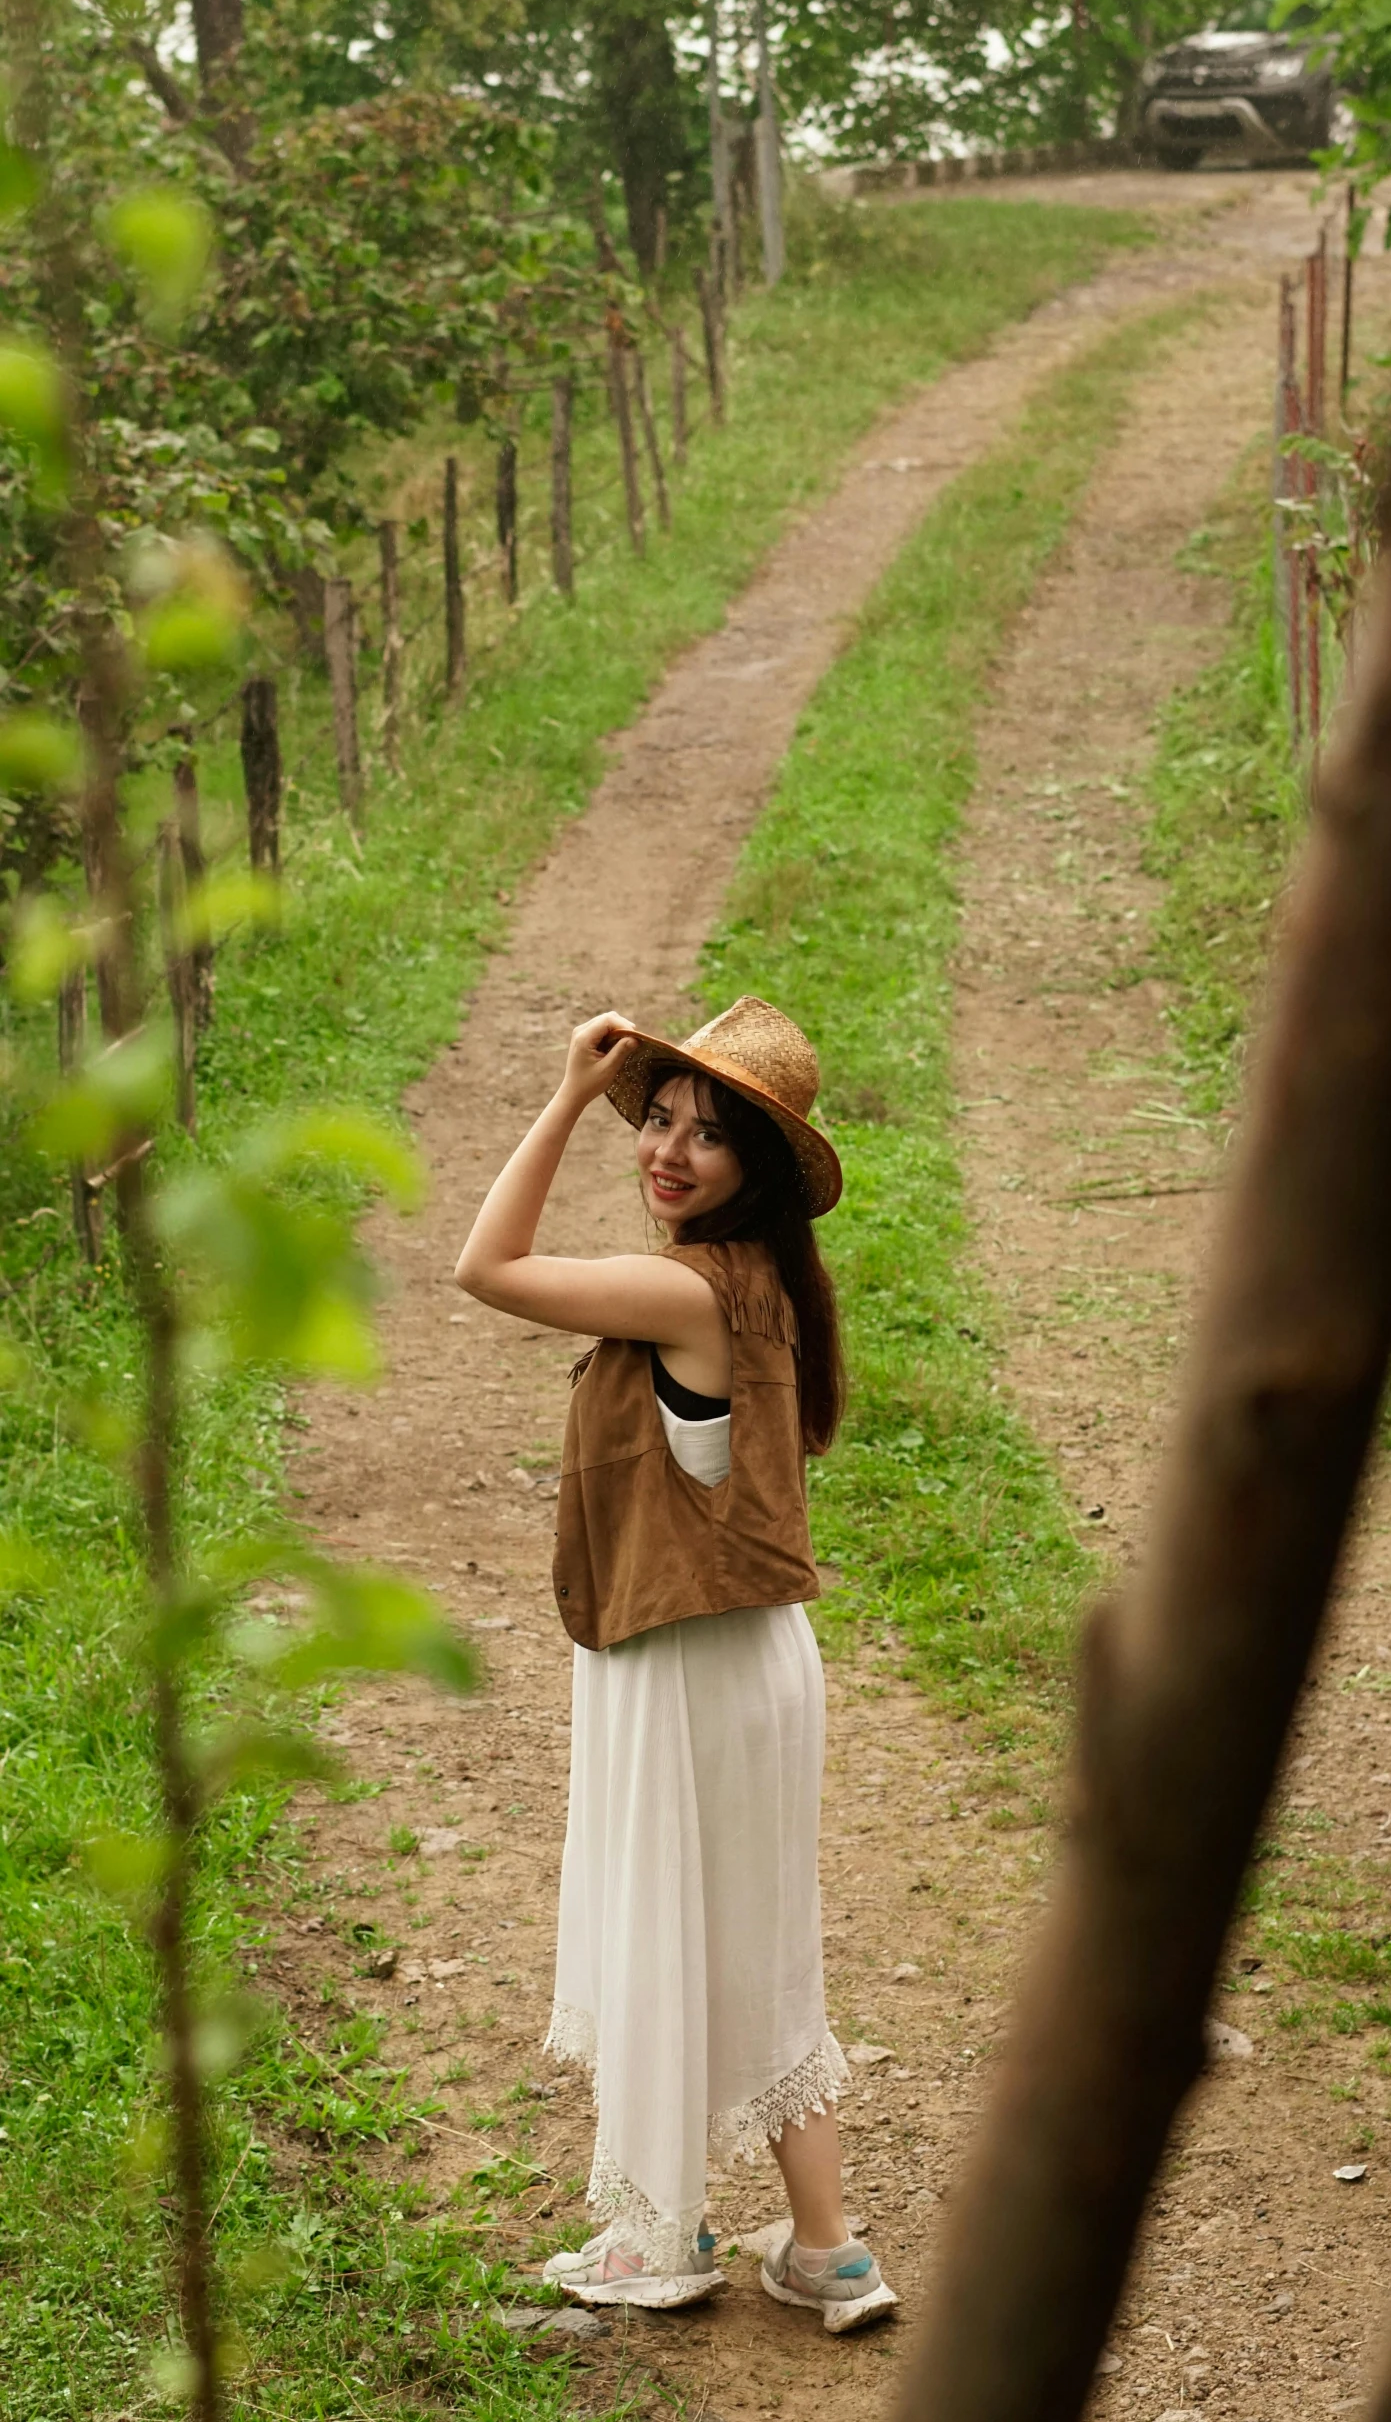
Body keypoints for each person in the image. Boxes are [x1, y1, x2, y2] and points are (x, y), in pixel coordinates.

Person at [454, 995, 896, 2333]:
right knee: (761, 1943)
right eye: (657, 1116)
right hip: (753, 1652)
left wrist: (559, 1098)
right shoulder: (765, 1283)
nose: (669, 1149)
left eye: (708, 1136)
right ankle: (829, 2252)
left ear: (755, 1172)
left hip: (687, 1663)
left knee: (662, 1927)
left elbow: (486, 1262)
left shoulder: (687, 1287)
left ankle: (657, 2239)